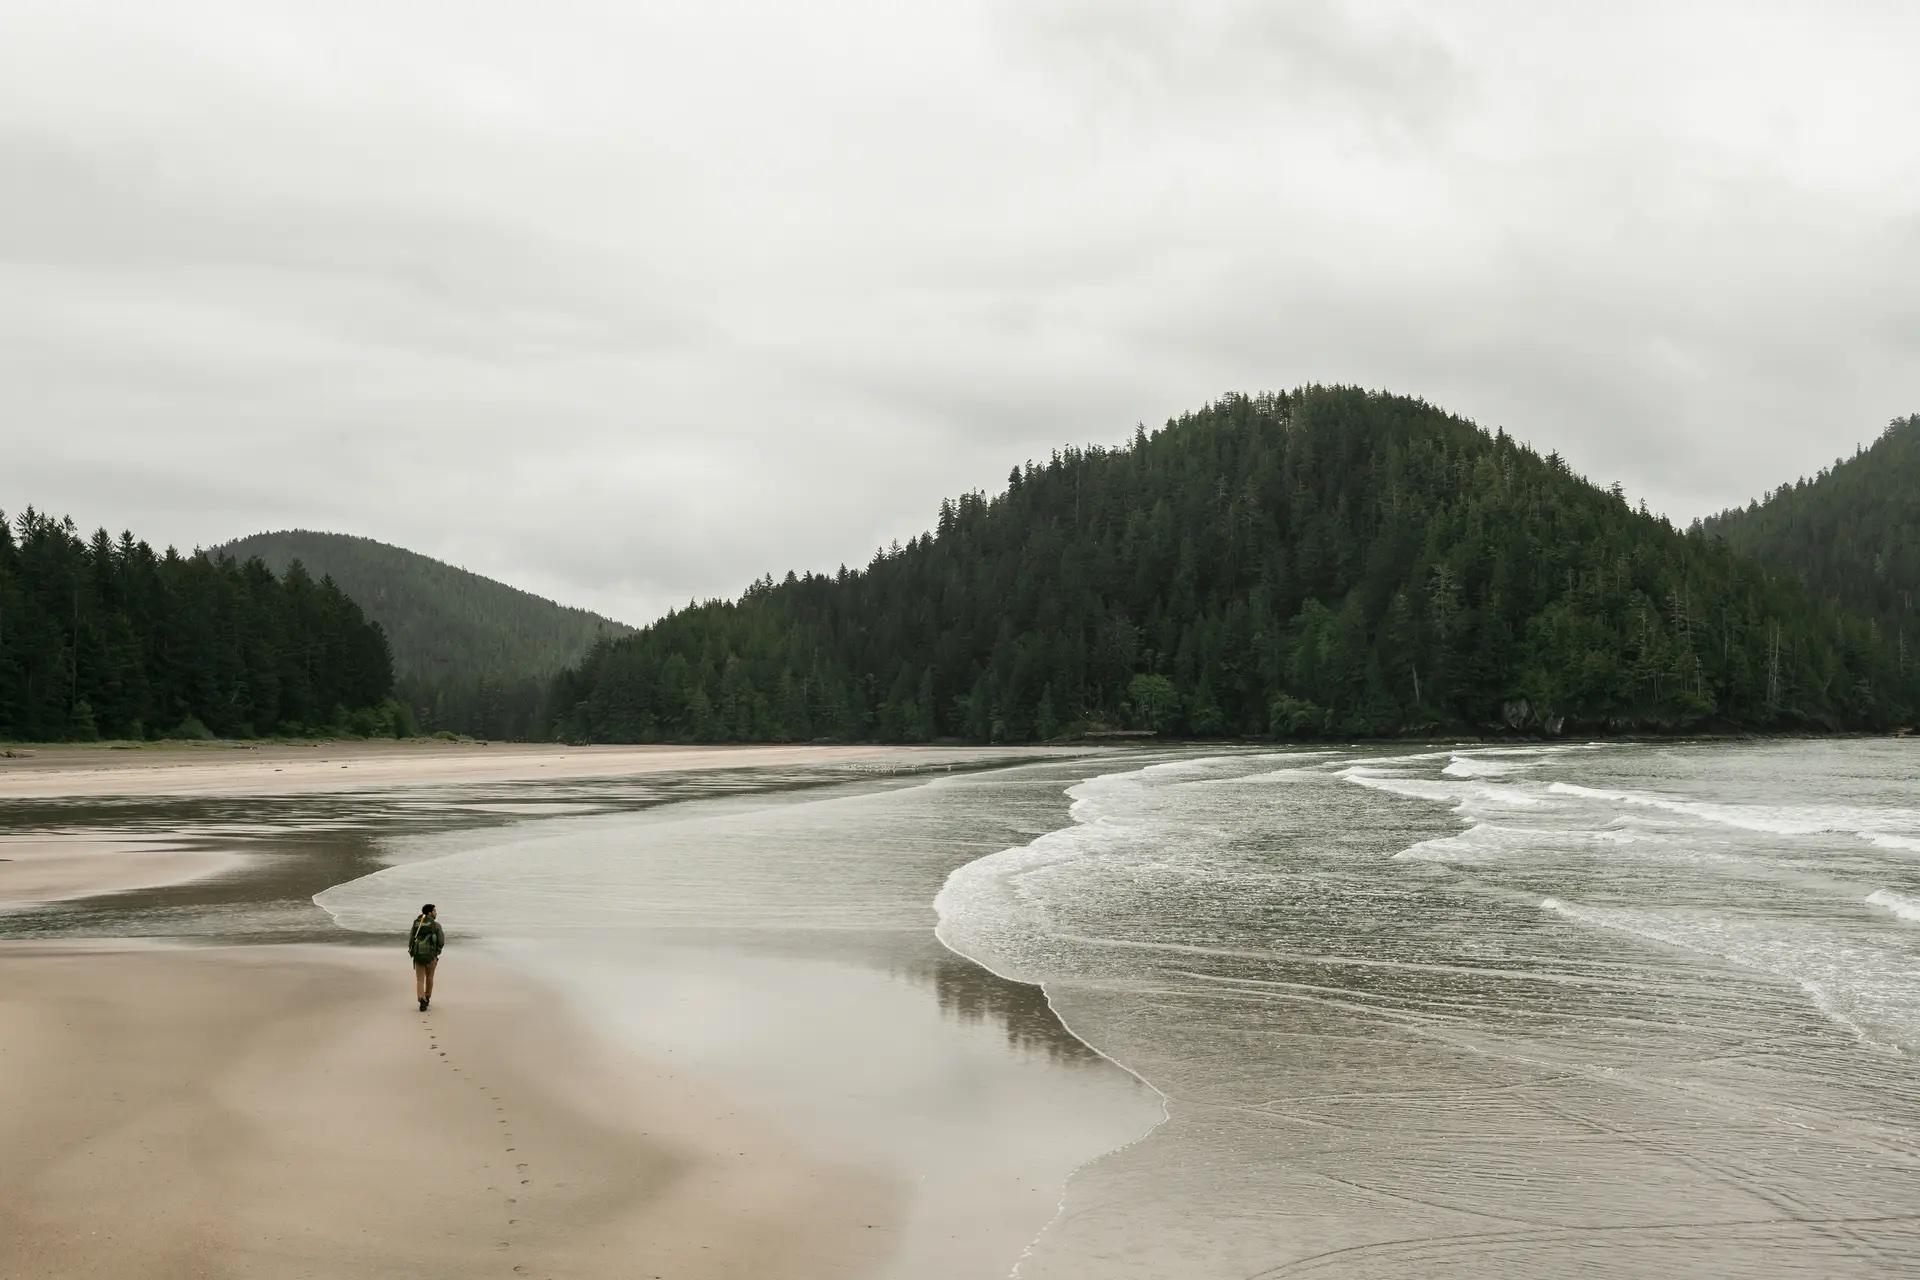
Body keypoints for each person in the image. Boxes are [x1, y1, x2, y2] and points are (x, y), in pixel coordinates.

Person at [408, 903, 445, 1011]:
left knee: (420, 979)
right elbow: (441, 941)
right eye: (434, 911)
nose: (436, 913)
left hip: (418, 955)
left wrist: (413, 952)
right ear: (430, 912)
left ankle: (421, 998)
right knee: (430, 977)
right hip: (431, 955)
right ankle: (427, 997)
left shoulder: (417, 924)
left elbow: (411, 939)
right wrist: (437, 952)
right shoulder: (436, 925)